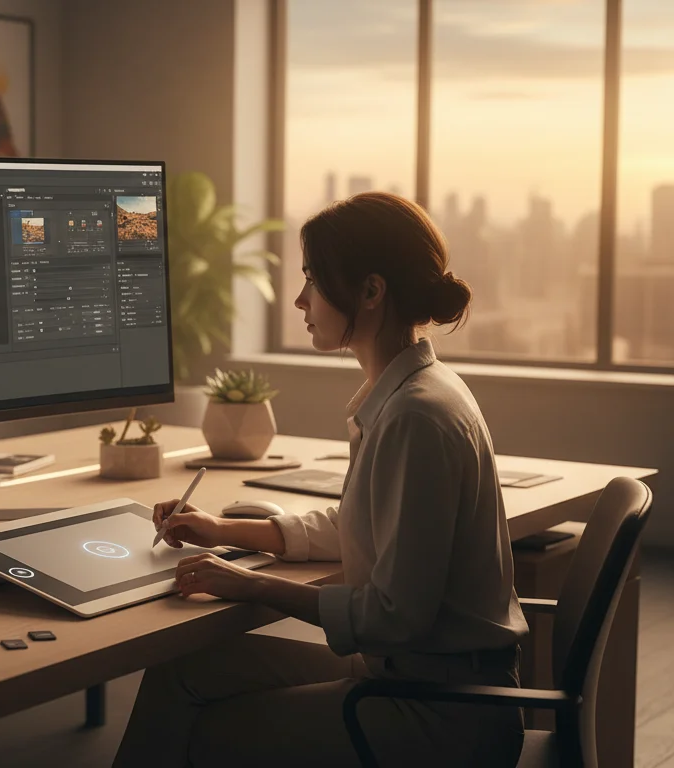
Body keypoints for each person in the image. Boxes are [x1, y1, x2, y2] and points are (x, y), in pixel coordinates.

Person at [114, 192, 529, 767]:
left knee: (203, 730)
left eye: (313, 279)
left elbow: (394, 616)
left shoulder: (415, 415)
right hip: (415, 676)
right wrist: (224, 528)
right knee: (179, 674)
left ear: (370, 291)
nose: (299, 298)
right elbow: (358, 528)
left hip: (439, 712)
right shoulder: (410, 393)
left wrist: (250, 584)